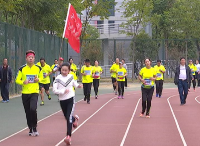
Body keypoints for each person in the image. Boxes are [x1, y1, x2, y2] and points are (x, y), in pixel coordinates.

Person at [53, 62, 82, 145]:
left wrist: (78, 86)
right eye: (63, 70)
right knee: (67, 117)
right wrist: (62, 91)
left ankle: (68, 136)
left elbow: (75, 84)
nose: (64, 72)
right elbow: (55, 90)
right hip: (62, 100)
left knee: (68, 117)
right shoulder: (57, 78)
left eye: (66, 70)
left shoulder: (71, 76)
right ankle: (74, 119)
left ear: (69, 71)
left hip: (70, 98)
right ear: (60, 70)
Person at [15, 50, 43, 136]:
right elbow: (17, 80)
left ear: (34, 59)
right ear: (26, 58)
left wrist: (38, 79)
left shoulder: (38, 68)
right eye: (29, 57)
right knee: (27, 111)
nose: (31, 59)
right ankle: (30, 128)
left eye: (32, 57)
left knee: (33, 109)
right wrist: (23, 82)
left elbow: (42, 77)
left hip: (34, 92)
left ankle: (35, 127)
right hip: (25, 93)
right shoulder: (22, 69)